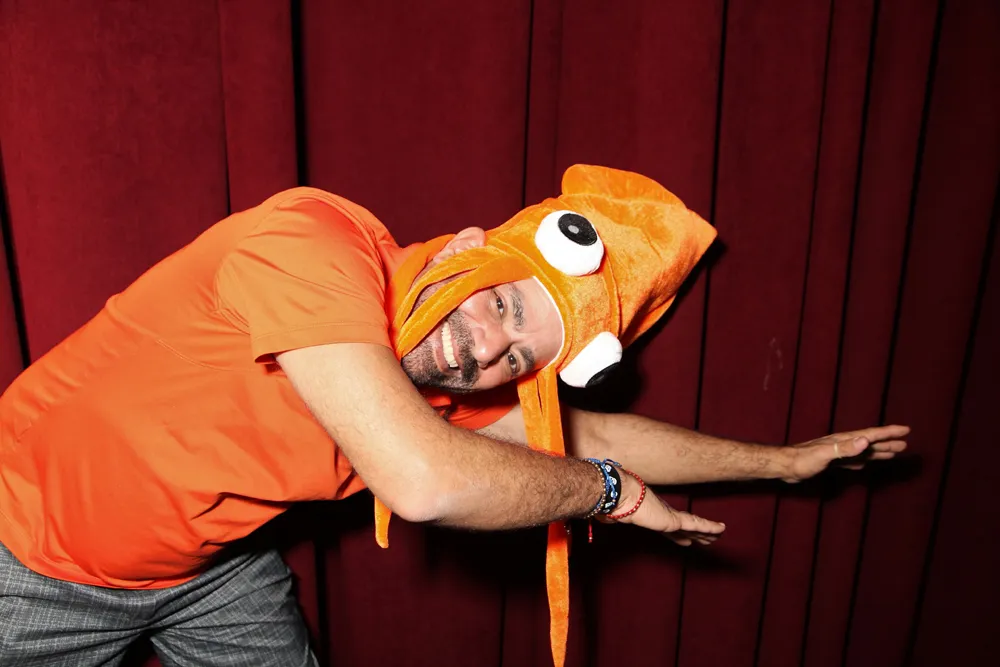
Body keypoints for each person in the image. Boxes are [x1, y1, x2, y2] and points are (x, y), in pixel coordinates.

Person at [0, 165, 908, 667]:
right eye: (504, 306)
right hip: (27, 554)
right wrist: (610, 494)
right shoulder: (312, 245)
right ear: (470, 248)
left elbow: (585, 436)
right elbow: (426, 481)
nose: (485, 349)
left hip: (206, 565)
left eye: (520, 356)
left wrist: (781, 461)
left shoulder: (443, 382)